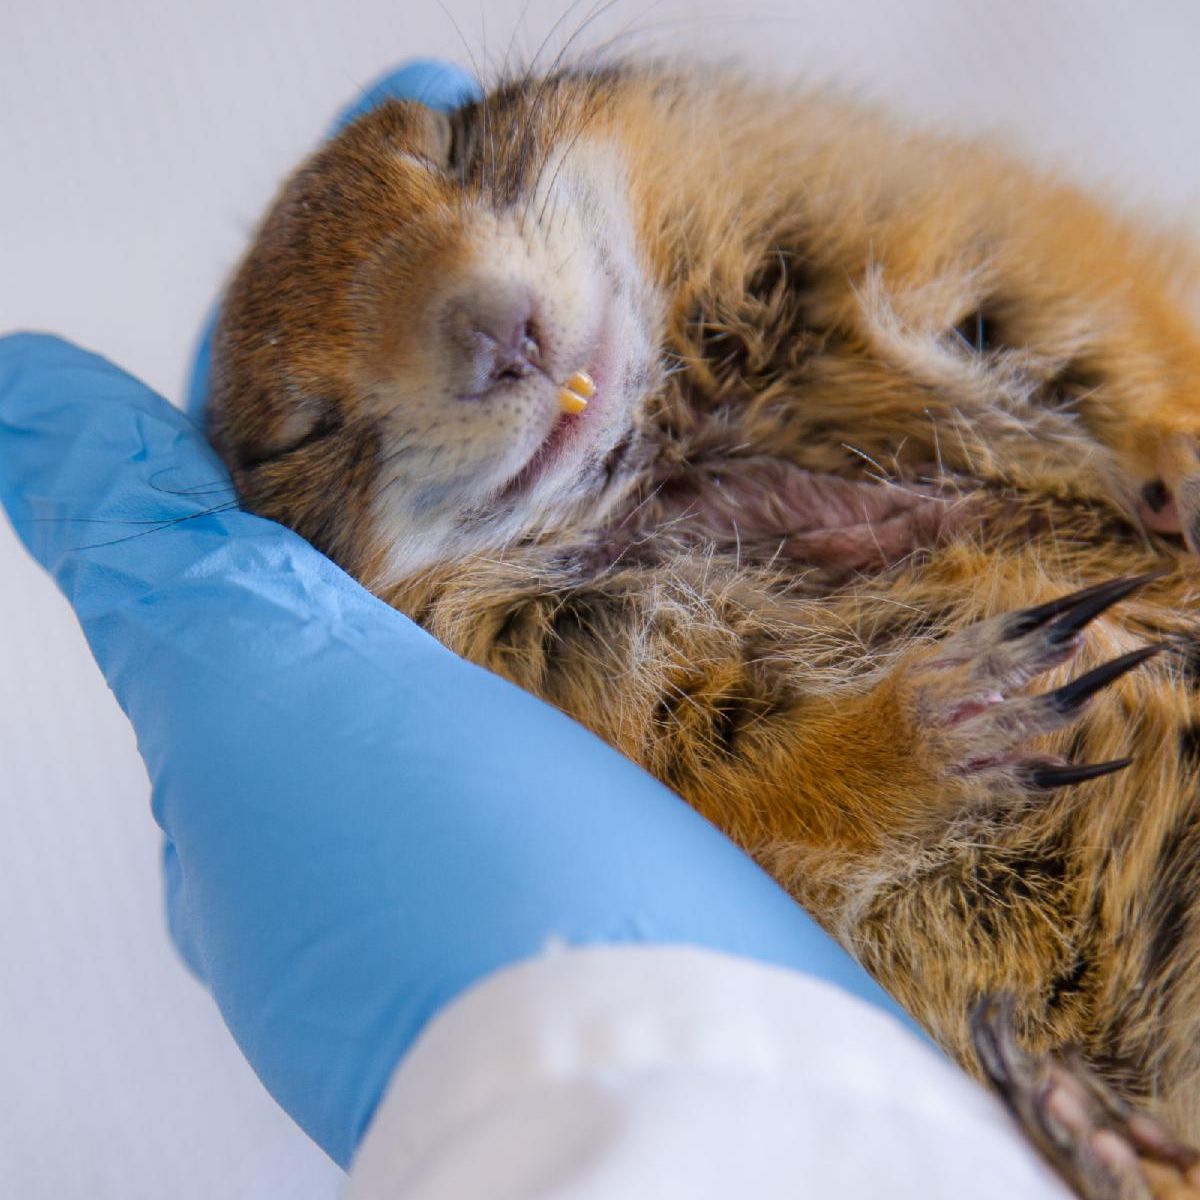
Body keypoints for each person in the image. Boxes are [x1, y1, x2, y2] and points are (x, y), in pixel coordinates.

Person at [0, 61, 1067, 1199]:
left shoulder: (783, 219)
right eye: (316, 429)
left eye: (451, 157)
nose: (486, 324)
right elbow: (787, 825)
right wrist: (866, 767)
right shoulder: (528, 676)